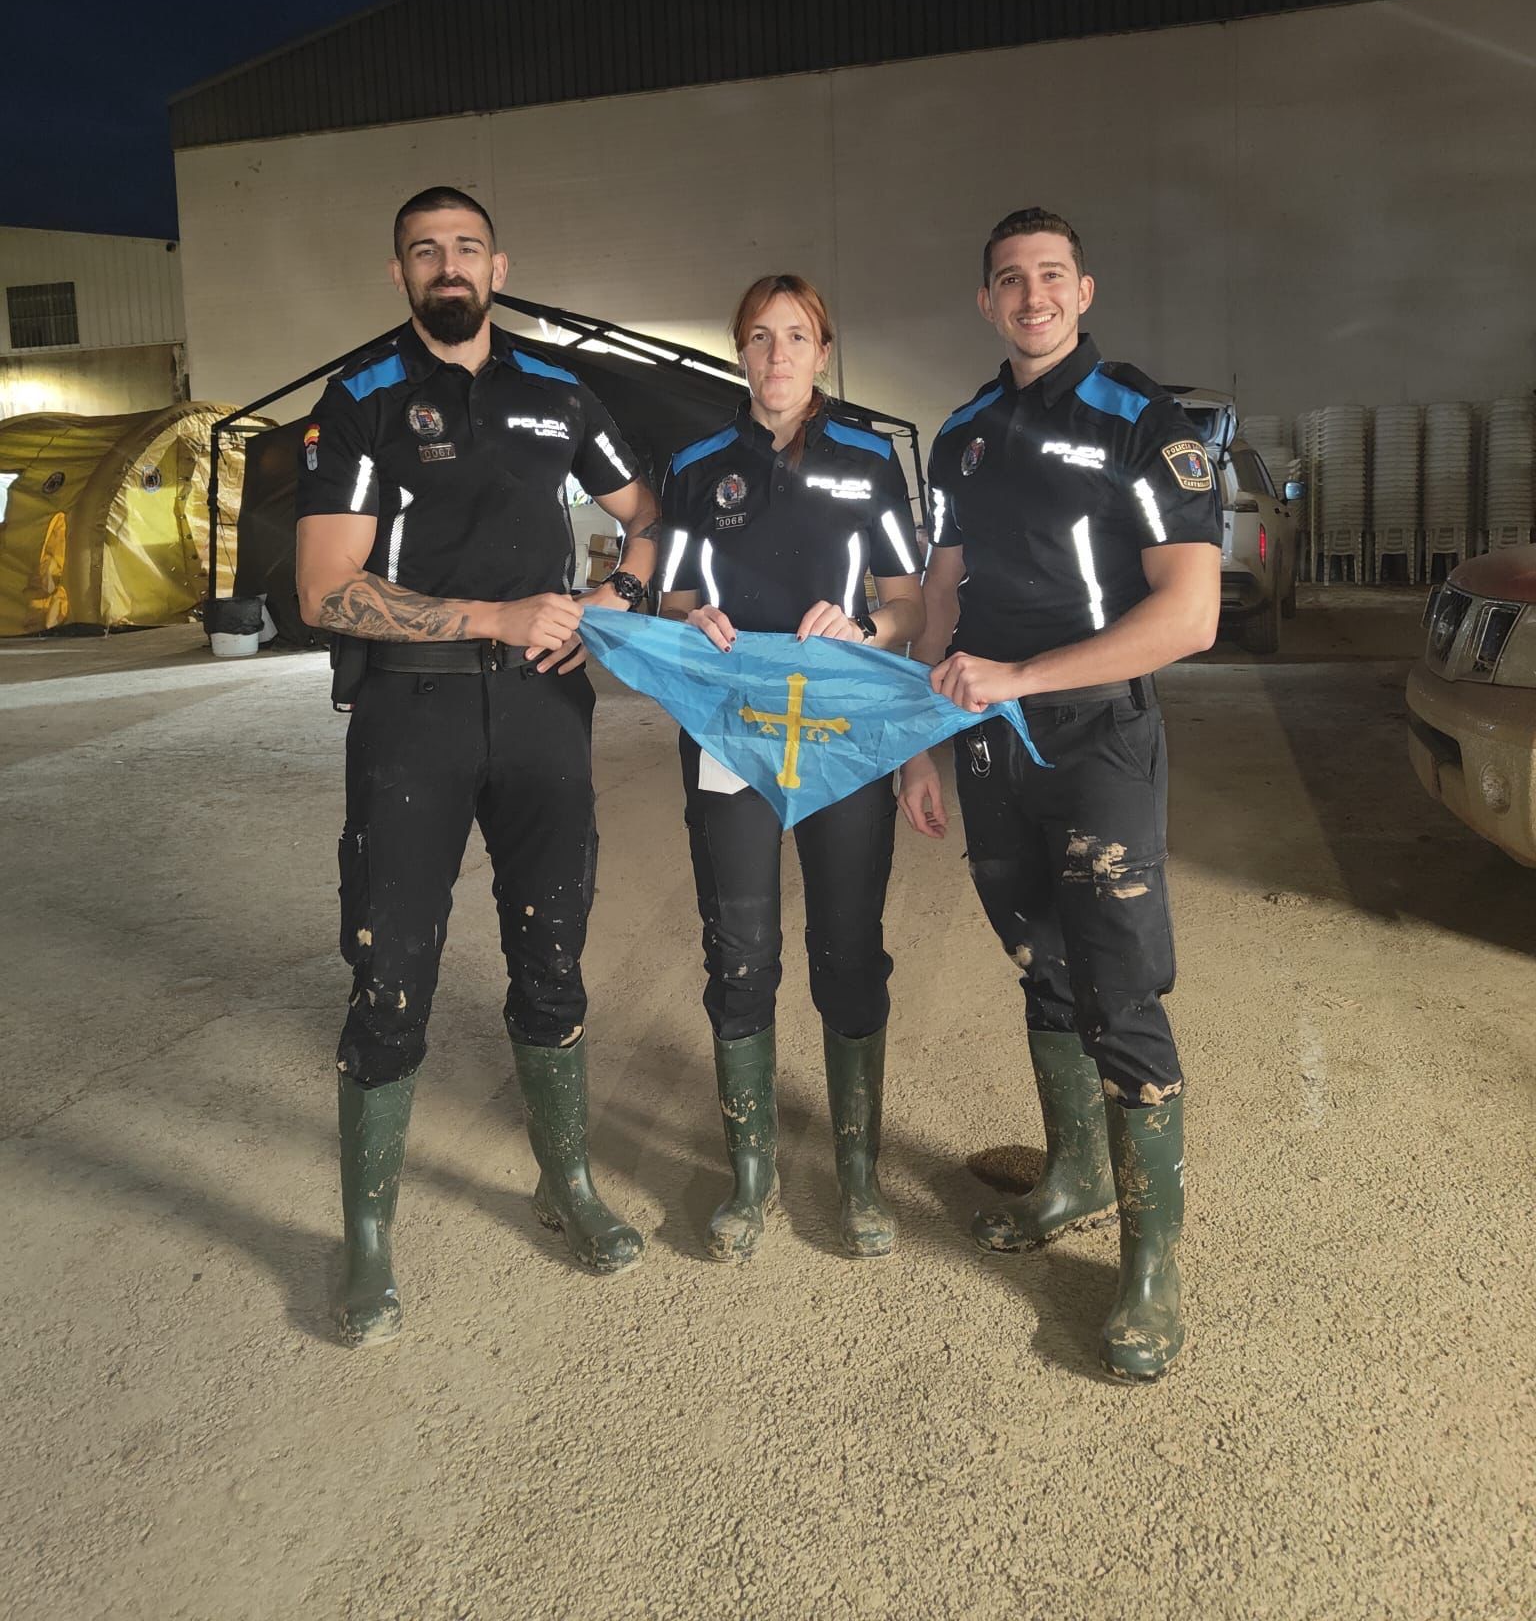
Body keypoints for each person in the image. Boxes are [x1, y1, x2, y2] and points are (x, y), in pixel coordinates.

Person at [295, 185, 660, 1346]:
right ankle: (367, 1242)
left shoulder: (558, 392)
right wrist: (494, 617)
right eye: (422, 252)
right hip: (413, 718)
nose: (446, 266)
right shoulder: (360, 402)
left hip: (549, 713)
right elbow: (325, 587)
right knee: (390, 975)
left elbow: (652, 512)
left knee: (552, 954)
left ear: (498, 263)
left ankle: (570, 1182)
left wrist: (609, 599)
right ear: (398, 274)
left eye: (464, 248)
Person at [898, 208, 1220, 1380]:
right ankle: (1074, 1170)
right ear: (986, 301)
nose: (1030, 295)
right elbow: (942, 598)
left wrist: (1024, 675)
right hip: (985, 742)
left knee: (1120, 989)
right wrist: (917, 741)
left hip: (1094, 740)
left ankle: (1150, 1264)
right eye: (1008, 280)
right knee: (1040, 959)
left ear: (1084, 289)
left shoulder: (1145, 424)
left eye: (1050, 276)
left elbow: (1189, 614)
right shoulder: (965, 433)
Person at [656, 275, 924, 1261]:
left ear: (824, 350)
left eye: (797, 336)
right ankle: (752, 1173)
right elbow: (673, 591)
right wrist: (694, 616)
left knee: (850, 947)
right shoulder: (695, 465)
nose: (777, 355)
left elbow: (910, 606)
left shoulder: (866, 462)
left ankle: (856, 1173)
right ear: (740, 351)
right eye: (760, 337)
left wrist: (866, 627)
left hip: (841, 731)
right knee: (741, 948)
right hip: (732, 732)